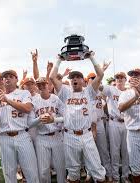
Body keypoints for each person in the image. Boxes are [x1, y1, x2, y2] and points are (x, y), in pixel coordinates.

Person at [49, 52, 106, 183]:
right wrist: (58, 59)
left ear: (82, 80)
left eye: (77, 77)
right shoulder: (65, 92)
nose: (74, 79)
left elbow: (100, 74)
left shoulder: (89, 92)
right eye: (72, 77)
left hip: (87, 135)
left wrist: (91, 57)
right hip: (70, 135)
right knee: (73, 172)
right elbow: (52, 77)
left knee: (97, 170)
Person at [0, 70, 39, 183]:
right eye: (5, 77)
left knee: (31, 171)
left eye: (11, 76)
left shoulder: (23, 93)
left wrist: (7, 100)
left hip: (22, 135)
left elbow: (27, 108)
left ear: (16, 79)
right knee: (9, 173)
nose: (7, 78)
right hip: (4, 137)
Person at [30, 77, 66, 183]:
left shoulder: (55, 98)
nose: (41, 86)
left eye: (43, 84)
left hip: (57, 135)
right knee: (43, 171)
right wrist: (39, 118)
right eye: (39, 85)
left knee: (60, 168)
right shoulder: (34, 101)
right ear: (36, 86)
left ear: (48, 85)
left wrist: (54, 119)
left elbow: (66, 117)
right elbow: (29, 123)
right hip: (42, 137)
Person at [100, 71, 130, 183]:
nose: (119, 79)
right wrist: (102, 70)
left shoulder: (129, 92)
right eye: (117, 77)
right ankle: (116, 177)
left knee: (126, 151)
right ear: (115, 80)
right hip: (114, 122)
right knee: (114, 151)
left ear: (125, 80)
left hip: (127, 122)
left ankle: (125, 176)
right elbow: (98, 86)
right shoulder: (111, 89)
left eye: (122, 77)